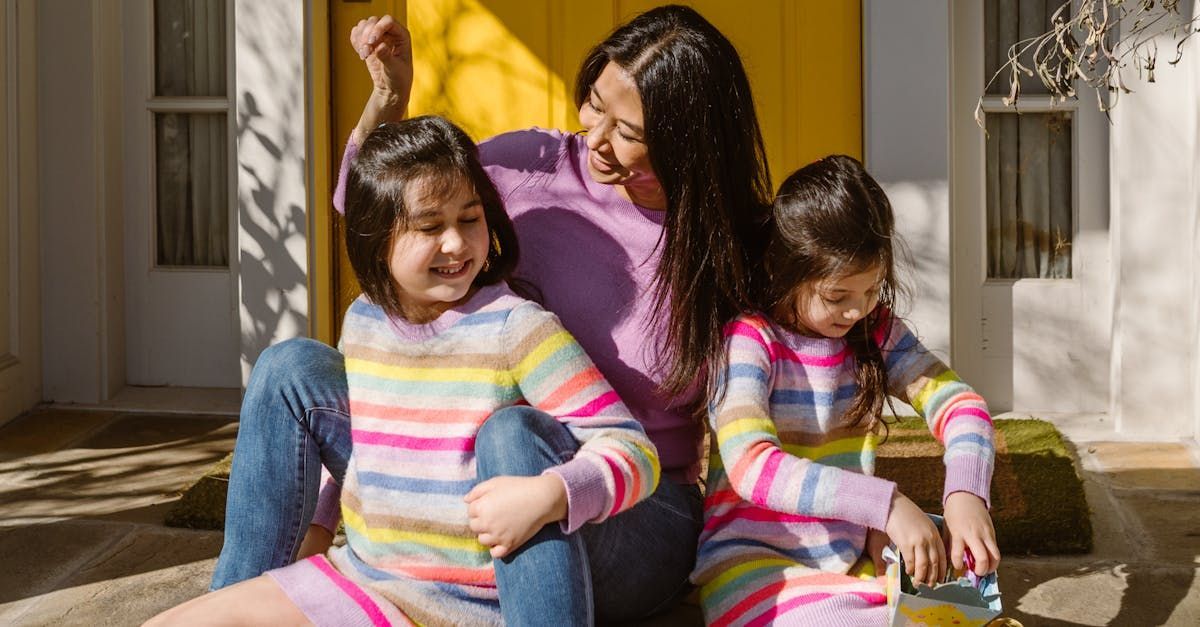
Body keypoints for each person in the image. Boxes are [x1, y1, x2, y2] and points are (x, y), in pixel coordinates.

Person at [209, 5, 773, 624]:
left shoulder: (732, 246)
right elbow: (376, 212)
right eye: (593, 103)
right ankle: (239, 598)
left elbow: (815, 372)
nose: (595, 135)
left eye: (628, 130)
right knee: (291, 367)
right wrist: (389, 101)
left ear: (690, 136)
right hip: (458, 467)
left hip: (629, 508)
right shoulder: (530, 164)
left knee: (514, 433)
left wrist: (859, 519)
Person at [149, 116, 660, 625]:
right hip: (373, 579)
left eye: (469, 218)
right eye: (430, 226)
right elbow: (365, 442)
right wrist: (321, 528)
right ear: (377, 238)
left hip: (478, 601)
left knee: (514, 430)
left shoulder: (518, 328)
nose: (457, 244)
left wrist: (551, 494)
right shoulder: (366, 319)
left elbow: (635, 452)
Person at [690, 156, 1000, 626]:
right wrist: (886, 505)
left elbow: (961, 406)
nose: (857, 311)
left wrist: (966, 494)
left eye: (873, 290)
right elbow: (753, 466)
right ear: (786, 270)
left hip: (852, 566)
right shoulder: (749, 342)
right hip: (752, 568)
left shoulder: (875, 332)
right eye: (838, 296)